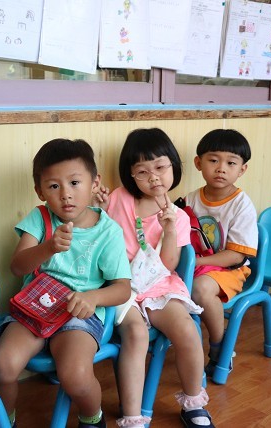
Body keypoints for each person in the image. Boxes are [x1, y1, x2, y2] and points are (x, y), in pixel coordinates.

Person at [0, 138, 132, 428]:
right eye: (54, 186)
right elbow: (17, 267)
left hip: (79, 315)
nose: (66, 194)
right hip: (35, 308)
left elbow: (122, 288)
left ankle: (92, 418)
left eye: (75, 183)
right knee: (2, 367)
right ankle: (4, 421)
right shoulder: (40, 218)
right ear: (40, 191)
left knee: (75, 376)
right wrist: (49, 247)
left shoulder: (108, 232)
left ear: (94, 183)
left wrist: (93, 297)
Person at [97, 128, 213, 428]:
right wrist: (99, 208)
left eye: (160, 167)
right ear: (130, 175)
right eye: (142, 171)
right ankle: (133, 416)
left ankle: (193, 403)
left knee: (188, 330)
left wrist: (170, 228)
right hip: (120, 285)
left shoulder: (180, 216)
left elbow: (168, 264)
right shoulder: (119, 198)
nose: (154, 177)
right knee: (135, 336)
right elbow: (98, 235)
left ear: (173, 165)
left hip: (158, 284)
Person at [186, 129, 257, 378]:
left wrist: (196, 261)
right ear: (198, 163)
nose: (221, 169)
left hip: (230, 269)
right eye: (213, 160)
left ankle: (219, 346)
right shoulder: (190, 199)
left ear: (242, 169)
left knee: (200, 289)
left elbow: (236, 256)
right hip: (195, 265)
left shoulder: (241, 204)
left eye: (231, 163)